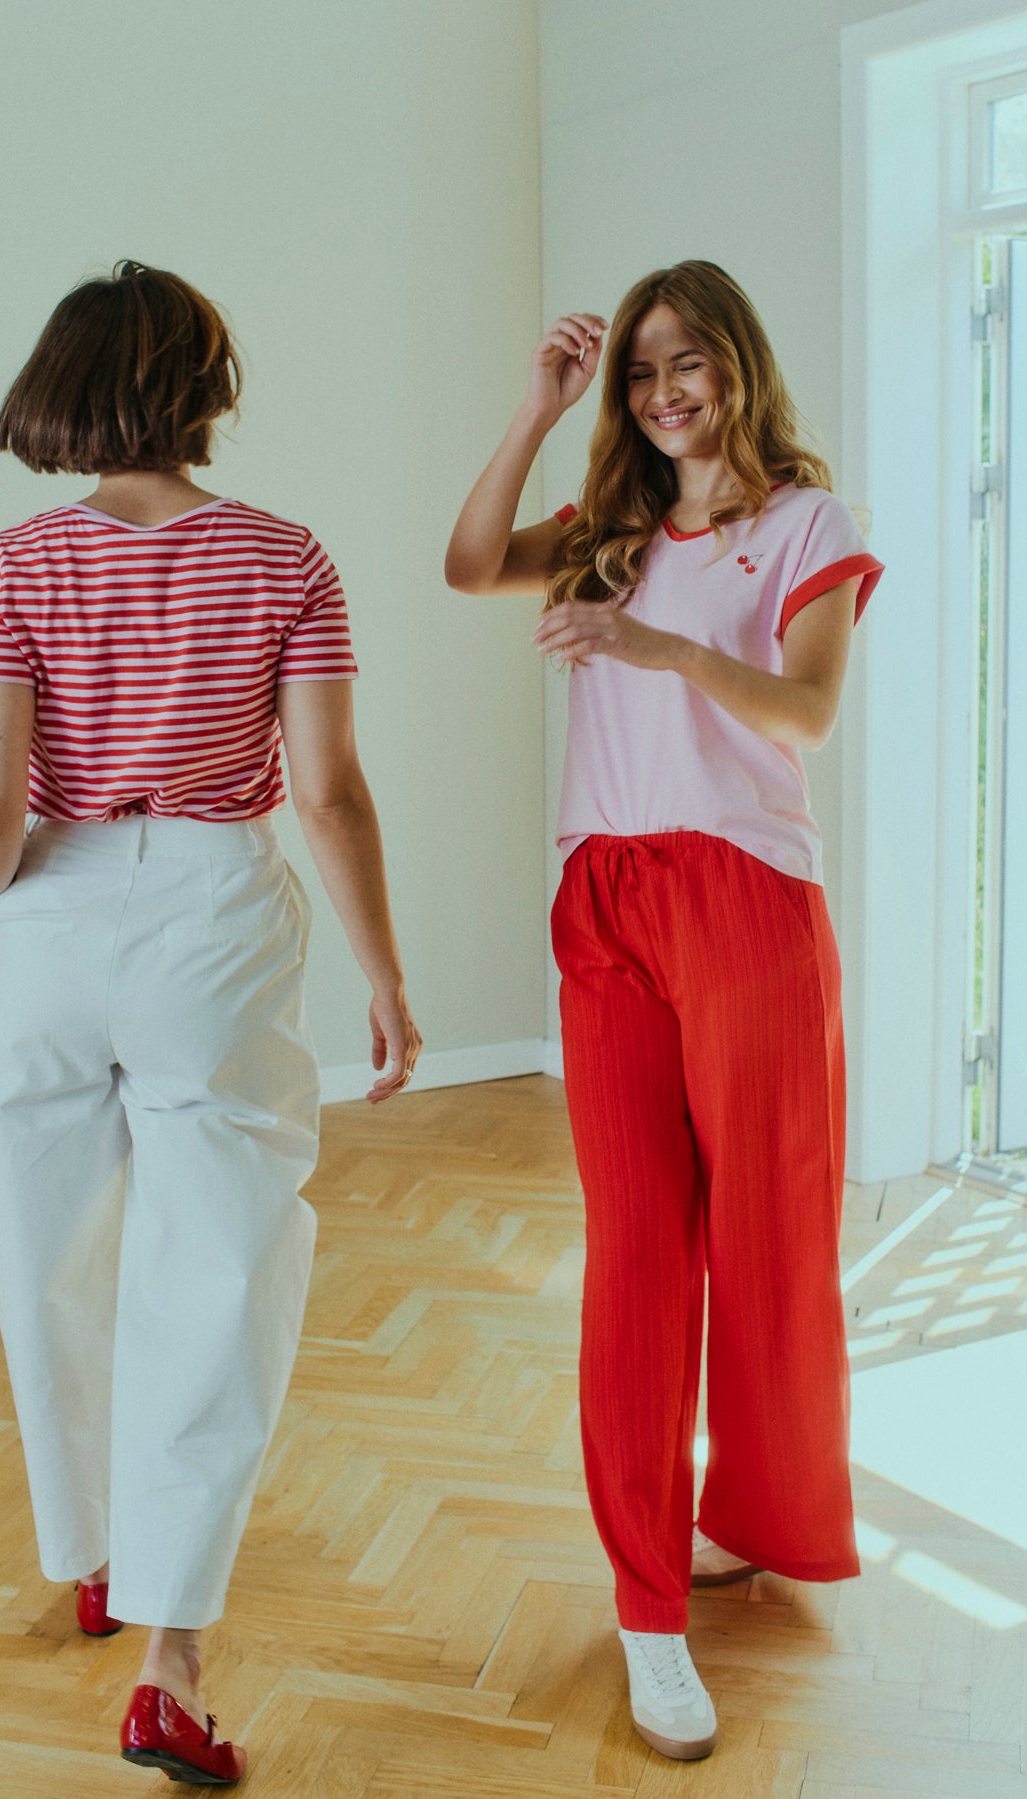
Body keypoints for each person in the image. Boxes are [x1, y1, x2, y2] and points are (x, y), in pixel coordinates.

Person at [0, 260, 421, 1785]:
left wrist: (34, 914)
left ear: (63, 384)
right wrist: (385, 976)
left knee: (49, 1251)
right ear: (204, 386)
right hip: (214, 908)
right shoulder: (286, 558)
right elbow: (328, 793)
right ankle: (170, 1660)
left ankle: (91, 1552)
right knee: (217, 1268)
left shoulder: (9, 566)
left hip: (47, 900)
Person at [445, 260, 880, 1763]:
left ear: (736, 363)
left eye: (686, 361)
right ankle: (648, 1609)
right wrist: (537, 407)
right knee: (636, 1251)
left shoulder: (805, 524)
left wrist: (657, 648)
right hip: (606, 898)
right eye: (640, 371)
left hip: (747, 898)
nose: (663, 392)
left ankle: (749, 1516)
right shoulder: (610, 528)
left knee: (765, 1236)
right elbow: (468, 563)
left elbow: (807, 712)